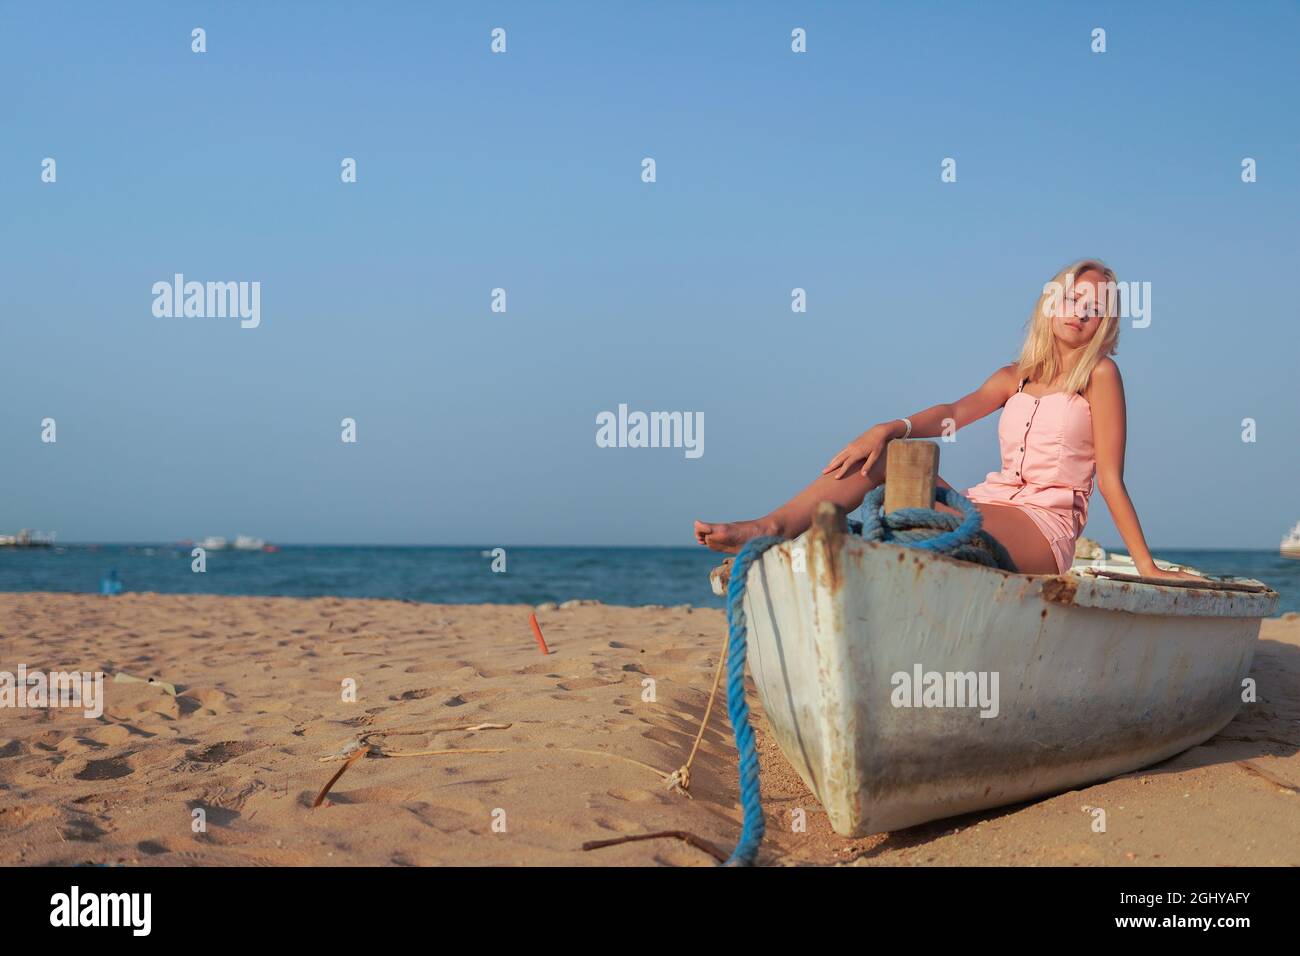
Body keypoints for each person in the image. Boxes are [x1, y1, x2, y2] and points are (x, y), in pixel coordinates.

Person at [694, 259, 1201, 581]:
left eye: (1095, 307)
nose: (1080, 312)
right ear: (1052, 302)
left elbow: (1110, 478)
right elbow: (954, 414)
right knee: (892, 460)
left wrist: (1146, 566)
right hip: (989, 501)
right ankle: (769, 528)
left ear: (1105, 323)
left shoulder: (1101, 376)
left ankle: (826, 546)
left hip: (1044, 526)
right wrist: (891, 426)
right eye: (1072, 298)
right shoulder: (1015, 377)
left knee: (929, 521)